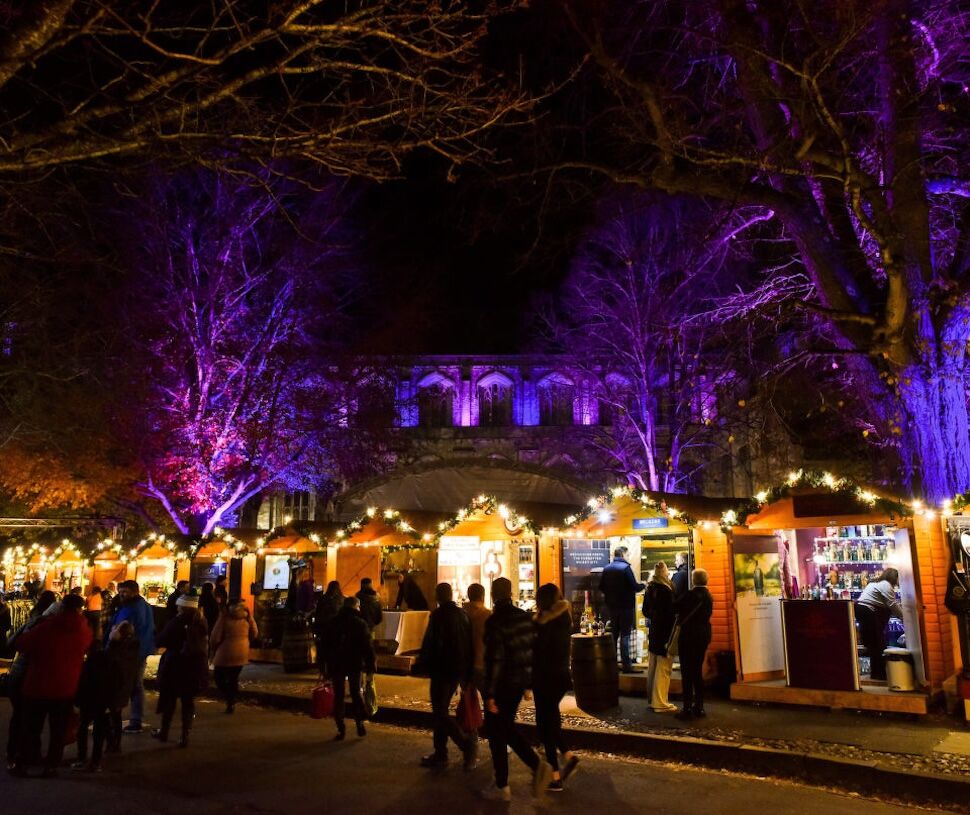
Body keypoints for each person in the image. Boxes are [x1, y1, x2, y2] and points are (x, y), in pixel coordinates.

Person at [481, 577, 552, 803]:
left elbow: (496, 659)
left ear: (493, 594)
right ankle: (510, 779)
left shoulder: (495, 622)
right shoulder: (524, 618)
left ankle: (507, 782)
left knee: (497, 732)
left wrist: (490, 693)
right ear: (510, 593)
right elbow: (532, 651)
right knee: (504, 727)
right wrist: (528, 684)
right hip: (519, 682)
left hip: (502, 684)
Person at [11, 593, 92, 777]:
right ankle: (52, 765)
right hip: (66, 687)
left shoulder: (46, 627)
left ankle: (25, 762)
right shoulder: (84, 630)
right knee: (58, 730)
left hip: (38, 685)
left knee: (31, 728)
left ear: (61, 607)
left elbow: (21, 644)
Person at [413, 583, 475, 769]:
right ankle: (441, 753)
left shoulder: (438, 616)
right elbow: (468, 643)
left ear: (438, 596)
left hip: (441, 670)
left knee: (439, 711)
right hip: (457, 670)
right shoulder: (463, 615)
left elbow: (431, 643)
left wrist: (422, 665)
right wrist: (467, 672)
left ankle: (463, 744)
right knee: (441, 711)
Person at [73, 620, 139, 772]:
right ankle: (107, 751)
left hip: (97, 697)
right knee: (104, 725)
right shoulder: (131, 652)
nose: (111, 629)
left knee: (86, 726)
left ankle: (84, 758)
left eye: (114, 628)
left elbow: (88, 677)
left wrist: (79, 697)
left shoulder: (106, 655)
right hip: (112, 697)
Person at [532, 583, 579, 792]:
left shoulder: (544, 623)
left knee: (545, 726)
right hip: (560, 677)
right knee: (550, 720)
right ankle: (568, 756)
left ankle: (555, 776)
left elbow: (539, 654)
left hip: (545, 678)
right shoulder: (563, 617)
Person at [4, 591, 57, 770]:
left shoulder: (32, 620)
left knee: (21, 717)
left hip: (19, 674)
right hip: (27, 676)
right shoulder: (42, 626)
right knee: (29, 719)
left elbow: (12, 642)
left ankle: (16, 754)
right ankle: (23, 756)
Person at [153, 591, 209, 746]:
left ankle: (164, 732)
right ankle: (185, 736)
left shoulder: (177, 622)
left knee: (169, 700)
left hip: (175, 666)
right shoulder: (201, 621)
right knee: (188, 703)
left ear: (182, 607)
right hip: (194, 668)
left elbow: (161, 640)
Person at [323, 597, 375, 741]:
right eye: (358, 607)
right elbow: (367, 646)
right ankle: (359, 722)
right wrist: (371, 665)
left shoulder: (333, 623)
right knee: (356, 693)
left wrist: (324, 665)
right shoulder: (360, 623)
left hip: (337, 663)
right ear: (356, 606)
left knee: (339, 695)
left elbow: (324, 645)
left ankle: (341, 728)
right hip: (354, 663)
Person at [110, 580, 156, 733]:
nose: (122, 594)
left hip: (132, 652)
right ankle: (133, 717)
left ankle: (136, 719)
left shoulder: (134, 608)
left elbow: (128, 630)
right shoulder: (138, 606)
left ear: (135, 591)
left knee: (134, 684)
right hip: (136, 650)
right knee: (134, 683)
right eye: (120, 591)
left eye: (125, 592)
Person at [674, 569, 714, 721]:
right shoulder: (709, 596)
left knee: (686, 672)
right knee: (697, 671)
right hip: (703, 636)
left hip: (688, 636)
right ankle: (699, 706)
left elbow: (675, 607)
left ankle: (687, 707)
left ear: (693, 580)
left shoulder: (689, 595)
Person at [599, 546, 645, 673]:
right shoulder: (625, 568)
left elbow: (601, 587)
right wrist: (644, 585)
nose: (629, 556)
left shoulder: (607, 568)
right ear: (623, 554)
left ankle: (611, 664)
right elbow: (635, 586)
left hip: (612, 607)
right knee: (625, 635)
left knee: (613, 635)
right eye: (628, 554)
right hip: (626, 607)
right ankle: (626, 666)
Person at [210, 599, 258, 714]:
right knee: (233, 678)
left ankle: (229, 698)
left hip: (225, 652)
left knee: (218, 677)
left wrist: (212, 649)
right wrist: (246, 642)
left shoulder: (224, 617)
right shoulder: (247, 616)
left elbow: (215, 637)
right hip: (242, 652)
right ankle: (231, 701)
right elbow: (255, 633)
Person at [855, 567, 903, 681]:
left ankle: (876, 673)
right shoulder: (886, 585)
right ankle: (880, 674)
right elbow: (892, 604)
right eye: (898, 578)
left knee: (873, 644)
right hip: (868, 611)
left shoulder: (875, 583)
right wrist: (903, 616)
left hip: (861, 610)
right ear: (893, 577)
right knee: (878, 643)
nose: (898, 581)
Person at [643, 561, 677, 713]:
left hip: (654, 630)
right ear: (664, 573)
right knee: (663, 669)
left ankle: (652, 700)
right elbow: (670, 615)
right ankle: (660, 702)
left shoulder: (650, 588)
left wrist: (654, 616)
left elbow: (645, 611)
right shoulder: (666, 590)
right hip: (665, 632)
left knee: (653, 666)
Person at [464, 583, 491, 690]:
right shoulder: (488, 615)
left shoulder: (462, 613)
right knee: (488, 699)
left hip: (465, 663)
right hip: (482, 662)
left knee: (468, 698)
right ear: (482, 596)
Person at [313, 581, 343, 671]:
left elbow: (317, 614)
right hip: (336, 629)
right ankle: (333, 669)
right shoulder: (341, 599)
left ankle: (323, 670)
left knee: (323, 650)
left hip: (324, 629)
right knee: (334, 651)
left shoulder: (322, 599)